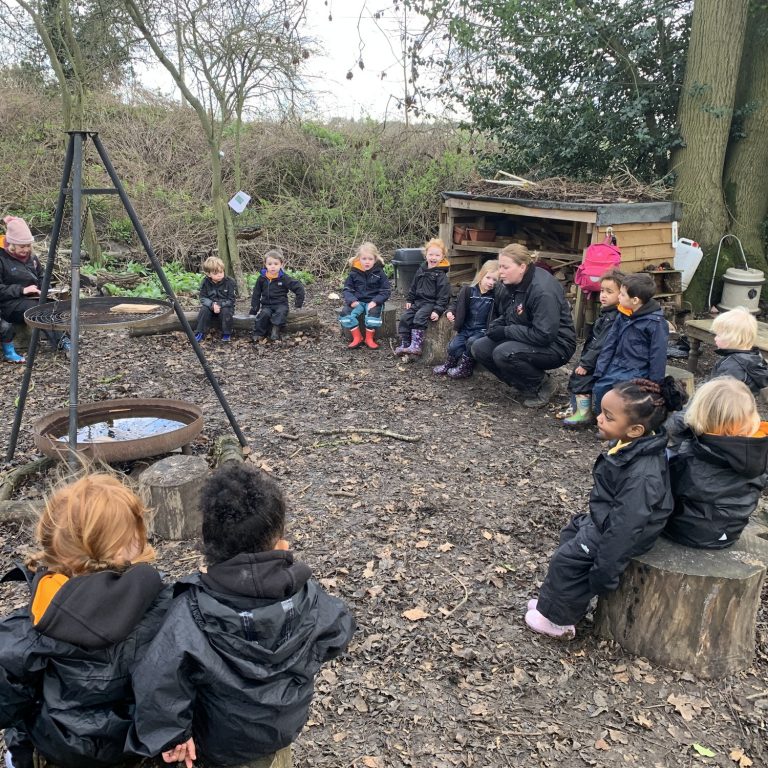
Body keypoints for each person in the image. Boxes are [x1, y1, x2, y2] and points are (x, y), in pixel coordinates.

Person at [128, 463, 355, 768]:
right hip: (277, 736)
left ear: (207, 545)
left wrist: (174, 735)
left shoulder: (190, 611)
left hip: (217, 749)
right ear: (280, 545)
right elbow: (340, 630)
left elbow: (159, 679)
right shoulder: (307, 596)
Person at [0, 473, 169, 768]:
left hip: (55, 750)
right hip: (132, 748)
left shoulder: (34, 623)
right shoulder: (163, 607)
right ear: (132, 542)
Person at [525, 377, 686, 638]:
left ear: (634, 430)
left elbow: (626, 528)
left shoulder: (642, 476)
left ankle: (559, 621)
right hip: (608, 518)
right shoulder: (631, 445)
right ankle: (552, 604)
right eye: (601, 411)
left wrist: (605, 572)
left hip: (623, 532)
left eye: (608, 417)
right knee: (571, 533)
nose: (599, 418)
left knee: (569, 561)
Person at [664, 377, 768, 549]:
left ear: (699, 412)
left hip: (683, 529)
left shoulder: (689, 452)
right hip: (729, 533)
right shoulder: (759, 449)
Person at [471, 244, 576, 408]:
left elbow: (544, 335)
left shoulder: (542, 291)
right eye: (500, 267)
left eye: (505, 267)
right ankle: (524, 386)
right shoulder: (515, 282)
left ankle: (544, 385)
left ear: (522, 267)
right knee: (479, 347)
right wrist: (495, 327)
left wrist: (506, 331)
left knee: (503, 353)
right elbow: (512, 313)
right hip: (530, 335)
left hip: (557, 345)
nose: (500, 272)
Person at [592, 272, 668, 413]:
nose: (619, 297)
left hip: (638, 371)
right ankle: (604, 422)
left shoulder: (655, 323)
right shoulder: (624, 314)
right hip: (616, 366)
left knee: (623, 399)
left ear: (635, 300)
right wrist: (600, 369)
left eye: (622, 294)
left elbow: (658, 354)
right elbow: (610, 343)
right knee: (600, 388)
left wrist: (655, 384)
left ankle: (620, 428)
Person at [560, 269, 624, 427]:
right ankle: (577, 408)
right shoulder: (608, 313)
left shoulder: (614, 318)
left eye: (609, 292)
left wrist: (586, 363)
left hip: (600, 360)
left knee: (581, 377)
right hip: (595, 357)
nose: (603, 295)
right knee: (579, 374)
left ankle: (583, 414)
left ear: (622, 295)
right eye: (602, 290)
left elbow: (601, 344)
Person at [0, 215, 70, 356]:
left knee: (54, 305)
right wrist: (22, 290)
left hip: (32, 297)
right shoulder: (2, 259)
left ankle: (66, 337)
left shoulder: (32, 258)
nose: (25, 249)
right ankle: (62, 343)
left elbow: (42, 276)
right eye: (22, 246)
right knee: (38, 310)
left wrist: (46, 288)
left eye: (28, 246)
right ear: (12, 244)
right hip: (9, 304)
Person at [433, 259, 498, 379]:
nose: (491, 282)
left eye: (495, 280)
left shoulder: (494, 297)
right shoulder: (468, 291)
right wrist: (450, 311)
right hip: (466, 328)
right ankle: (449, 364)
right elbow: (456, 303)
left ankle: (465, 368)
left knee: (471, 342)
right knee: (453, 346)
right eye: (488, 278)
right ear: (481, 275)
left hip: (482, 331)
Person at [394, 238, 451, 357]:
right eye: (431, 254)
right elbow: (413, 286)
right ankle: (405, 343)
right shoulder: (421, 269)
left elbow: (444, 295)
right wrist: (410, 299)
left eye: (437, 255)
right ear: (426, 255)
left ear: (442, 257)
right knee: (405, 317)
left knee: (419, 318)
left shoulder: (441, 275)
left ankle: (416, 345)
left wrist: (437, 310)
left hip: (430, 303)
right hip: (418, 301)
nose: (433, 258)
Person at [709, 305, 768, 401]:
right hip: (743, 406)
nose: (715, 338)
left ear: (733, 338)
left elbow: (719, 395)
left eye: (718, 335)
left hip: (725, 408)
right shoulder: (755, 357)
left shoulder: (732, 366)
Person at [339, 242, 391, 349]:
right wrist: (352, 300)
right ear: (359, 258)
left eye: (370, 259)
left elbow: (385, 290)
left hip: (373, 301)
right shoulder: (353, 273)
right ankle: (357, 337)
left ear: (375, 259)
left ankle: (369, 338)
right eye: (364, 259)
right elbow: (347, 289)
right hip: (357, 301)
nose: (367, 262)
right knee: (345, 314)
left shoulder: (380, 273)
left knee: (373, 316)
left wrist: (376, 301)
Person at [249, 249, 305, 342]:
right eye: (270, 264)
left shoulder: (284, 278)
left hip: (281, 304)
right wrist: (254, 309)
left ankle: (275, 331)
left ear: (281, 264)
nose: (273, 267)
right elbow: (256, 294)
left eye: (276, 264)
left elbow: (299, 288)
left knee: (281, 312)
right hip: (267, 305)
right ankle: (259, 333)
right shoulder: (262, 278)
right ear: (265, 264)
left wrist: (298, 304)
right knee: (264, 314)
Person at [195, 256, 237, 343]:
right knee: (204, 310)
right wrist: (212, 305)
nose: (219, 274)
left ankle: (226, 333)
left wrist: (219, 305)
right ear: (209, 274)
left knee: (226, 312)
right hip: (211, 306)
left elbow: (231, 300)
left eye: (221, 272)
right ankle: (200, 332)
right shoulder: (205, 282)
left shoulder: (230, 282)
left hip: (225, 305)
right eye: (216, 273)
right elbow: (202, 297)